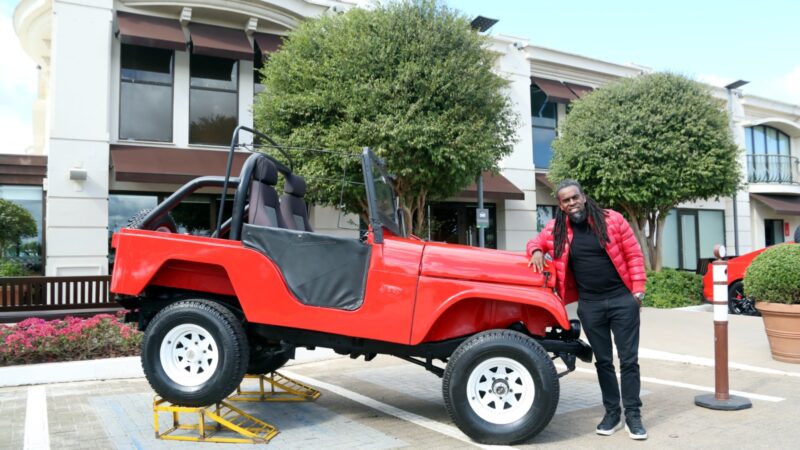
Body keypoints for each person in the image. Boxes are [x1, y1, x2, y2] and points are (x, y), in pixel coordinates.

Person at [527, 179, 648, 440]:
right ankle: (612, 413)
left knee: (628, 360)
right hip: (590, 305)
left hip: (622, 301)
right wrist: (536, 250)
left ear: (583, 197)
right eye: (565, 200)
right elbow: (534, 242)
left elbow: (634, 255)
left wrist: (637, 292)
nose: (571, 203)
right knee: (603, 361)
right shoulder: (555, 229)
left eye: (574, 198)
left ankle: (634, 416)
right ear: (561, 205)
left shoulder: (612, 220)